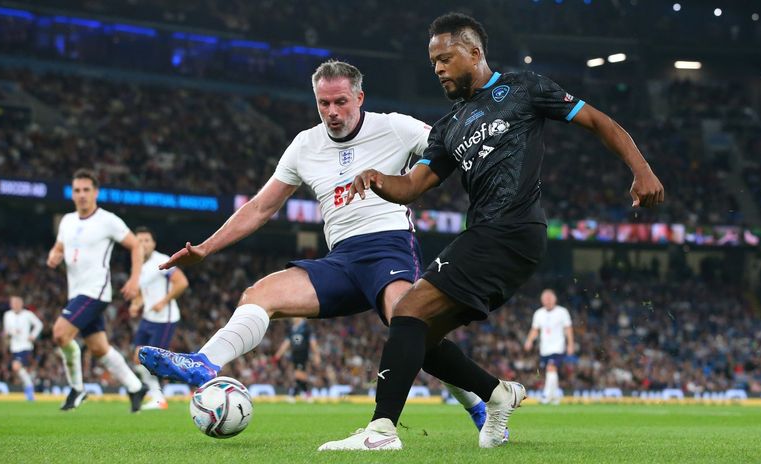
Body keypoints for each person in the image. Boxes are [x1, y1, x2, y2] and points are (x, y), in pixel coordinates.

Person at [319, 12, 664, 451]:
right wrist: (378, 179)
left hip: (512, 229)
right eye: (433, 63)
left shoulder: (524, 88)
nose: (439, 69)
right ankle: (498, 394)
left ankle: (382, 431)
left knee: (406, 313)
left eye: (445, 58)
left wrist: (642, 170)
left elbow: (598, 121)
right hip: (490, 236)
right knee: (417, 334)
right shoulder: (446, 129)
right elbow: (413, 186)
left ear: (474, 52)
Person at [138, 60, 495, 434]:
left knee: (412, 326)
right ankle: (205, 363)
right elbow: (261, 206)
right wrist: (207, 248)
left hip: (388, 247)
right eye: (323, 104)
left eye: (340, 102)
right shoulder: (305, 145)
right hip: (340, 259)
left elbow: (450, 146)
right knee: (260, 294)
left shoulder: (393, 126)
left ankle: (478, 401)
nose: (332, 112)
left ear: (360, 97)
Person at [46, 169, 148, 412]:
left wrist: (135, 280)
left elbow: (136, 246)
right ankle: (136, 387)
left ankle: (76, 389)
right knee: (99, 348)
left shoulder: (108, 220)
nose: (81, 195)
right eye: (77, 190)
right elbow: (59, 247)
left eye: (86, 190)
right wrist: (54, 255)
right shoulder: (67, 221)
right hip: (76, 292)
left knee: (61, 333)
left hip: (96, 291)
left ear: (96, 193)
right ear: (72, 193)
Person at [129, 226, 190, 410]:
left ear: (153, 243)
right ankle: (154, 394)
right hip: (148, 318)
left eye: (146, 240)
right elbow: (142, 293)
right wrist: (136, 304)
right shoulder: (138, 265)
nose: (142, 244)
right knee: (137, 358)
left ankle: (159, 399)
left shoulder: (162, 260)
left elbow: (182, 282)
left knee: (153, 360)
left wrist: (164, 301)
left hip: (165, 318)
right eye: (139, 240)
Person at [523, 289, 574, 405]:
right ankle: (555, 397)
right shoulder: (538, 313)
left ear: (555, 299)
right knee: (551, 371)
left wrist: (570, 344)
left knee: (551, 368)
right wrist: (529, 341)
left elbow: (568, 329)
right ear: (542, 301)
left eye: (550, 298)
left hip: (558, 347)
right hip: (545, 349)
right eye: (545, 299)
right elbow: (535, 329)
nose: (548, 301)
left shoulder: (562, 312)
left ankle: (546, 396)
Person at [3, 295, 43, 401]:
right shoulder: (7, 315)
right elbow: (6, 330)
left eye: (16, 303)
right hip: (14, 347)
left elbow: (39, 324)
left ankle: (29, 388)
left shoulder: (28, 314)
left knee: (16, 366)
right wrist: (10, 333)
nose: (14, 305)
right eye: (12, 303)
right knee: (20, 370)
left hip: (25, 346)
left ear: (21, 304)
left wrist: (33, 335)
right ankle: (29, 387)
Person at [272, 318, 321, 402]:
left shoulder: (306, 328)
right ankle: (307, 394)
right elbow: (286, 343)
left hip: (303, 354)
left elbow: (313, 342)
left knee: (298, 375)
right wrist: (278, 355)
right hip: (294, 355)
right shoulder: (292, 329)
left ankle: (294, 394)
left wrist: (317, 355)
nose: (293, 318)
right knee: (300, 376)